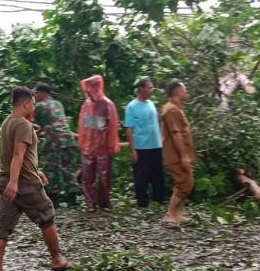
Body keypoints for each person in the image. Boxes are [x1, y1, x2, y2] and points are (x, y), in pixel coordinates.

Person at [0, 87, 73, 271]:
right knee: (47, 216)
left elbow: (17, 156)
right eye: (33, 104)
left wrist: (35, 172)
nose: (34, 108)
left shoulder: (6, 123)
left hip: (9, 181)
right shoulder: (24, 125)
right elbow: (18, 155)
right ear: (26, 103)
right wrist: (15, 181)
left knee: (3, 225)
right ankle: (57, 259)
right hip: (24, 184)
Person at [77, 75, 121, 212]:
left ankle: (104, 202)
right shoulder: (87, 104)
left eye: (91, 87)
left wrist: (111, 145)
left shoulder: (107, 104)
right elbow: (83, 126)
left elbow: (112, 126)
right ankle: (91, 203)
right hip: (88, 147)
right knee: (87, 177)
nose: (88, 90)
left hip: (102, 147)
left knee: (104, 177)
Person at [33, 82, 80, 207]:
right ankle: (73, 199)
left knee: (50, 170)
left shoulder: (40, 106)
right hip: (69, 140)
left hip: (55, 142)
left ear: (43, 93)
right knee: (68, 170)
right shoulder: (58, 104)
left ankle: (53, 200)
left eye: (36, 93)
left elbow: (31, 123)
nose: (35, 95)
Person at [125, 78, 166, 207]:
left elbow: (157, 123)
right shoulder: (132, 106)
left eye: (152, 87)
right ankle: (142, 203)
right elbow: (129, 129)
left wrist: (162, 139)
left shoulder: (151, 104)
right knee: (141, 177)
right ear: (141, 89)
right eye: (149, 87)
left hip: (156, 145)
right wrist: (132, 150)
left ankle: (159, 200)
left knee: (158, 174)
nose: (151, 90)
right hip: (141, 147)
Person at [160, 80, 196, 227]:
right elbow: (176, 134)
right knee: (184, 184)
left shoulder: (176, 108)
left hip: (182, 152)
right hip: (175, 154)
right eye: (184, 89)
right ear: (178, 91)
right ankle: (169, 215)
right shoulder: (171, 110)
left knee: (186, 182)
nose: (186, 92)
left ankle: (178, 215)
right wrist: (183, 155)